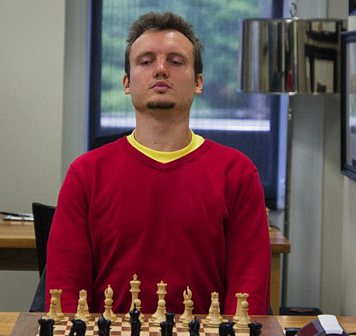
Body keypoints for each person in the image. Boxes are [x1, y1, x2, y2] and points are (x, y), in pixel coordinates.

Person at [46, 11, 271, 315]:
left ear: (198, 82)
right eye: (146, 61)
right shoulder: (86, 174)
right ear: (127, 82)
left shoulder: (238, 173)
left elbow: (249, 292)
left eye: (176, 62)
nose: (161, 69)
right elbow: (65, 291)